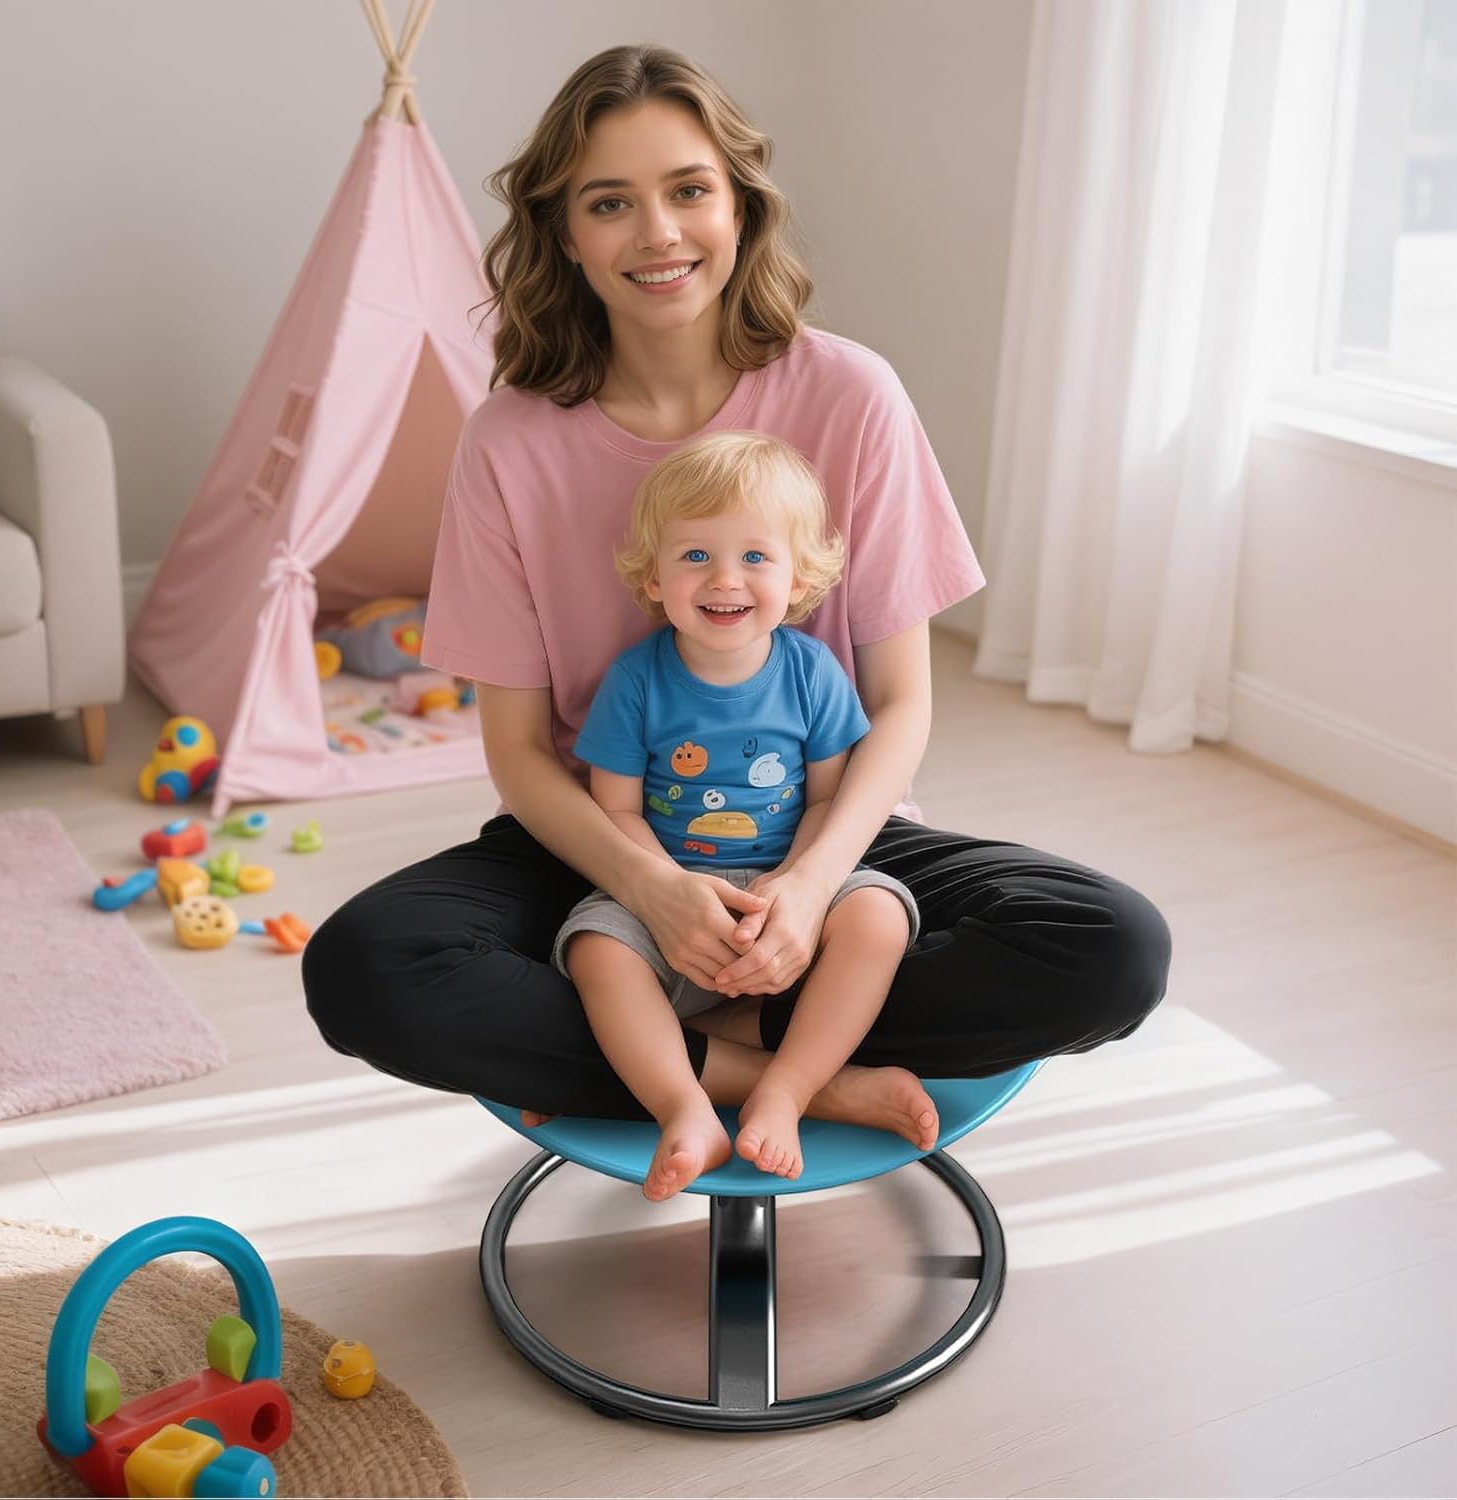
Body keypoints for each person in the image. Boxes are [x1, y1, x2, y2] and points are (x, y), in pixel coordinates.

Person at [302, 44, 1171, 1147]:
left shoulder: (852, 394)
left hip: (818, 826)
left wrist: (808, 888)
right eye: (610, 202)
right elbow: (520, 751)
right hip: (602, 838)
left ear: (740, 208)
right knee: (364, 971)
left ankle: (665, 1052)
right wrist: (653, 890)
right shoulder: (509, 441)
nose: (658, 233)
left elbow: (901, 703)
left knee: (1112, 948)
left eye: (689, 190)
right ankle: (771, 1074)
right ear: (565, 235)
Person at [557, 430, 931, 1199]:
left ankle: (786, 1090)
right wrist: (667, 894)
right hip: (672, 893)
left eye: (755, 557)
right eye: (695, 556)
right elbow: (615, 810)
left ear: (798, 579)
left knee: (881, 919)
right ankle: (685, 1107)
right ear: (654, 578)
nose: (725, 578)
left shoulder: (813, 672)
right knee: (595, 952)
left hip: (787, 886)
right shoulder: (634, 681)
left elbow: (830, 798)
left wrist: (800, 886)